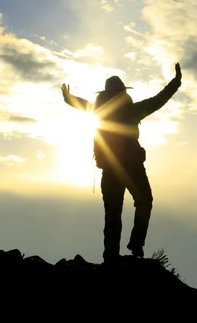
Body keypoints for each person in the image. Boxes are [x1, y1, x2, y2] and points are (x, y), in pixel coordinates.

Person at [61, 63, 182, 263]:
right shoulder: (132, 111)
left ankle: (111, 257)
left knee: (112, 215)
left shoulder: (98, 111)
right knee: (143, 202)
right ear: (123, 93)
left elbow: (80, 104)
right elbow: (159, 100)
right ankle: (135, 244)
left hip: (109, 171)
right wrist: (176, 82)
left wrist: (68, 98)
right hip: (131, 167)